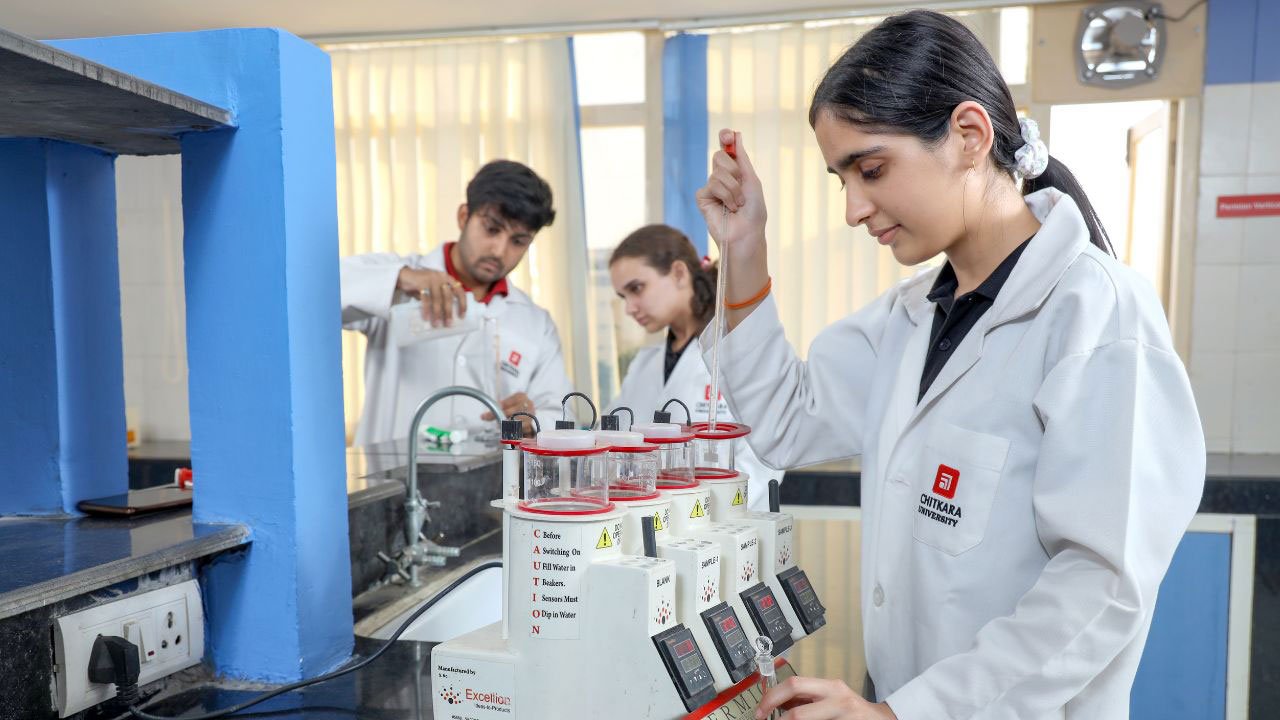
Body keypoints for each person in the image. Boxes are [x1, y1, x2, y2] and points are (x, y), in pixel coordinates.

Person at [695, 11, 1206, 720]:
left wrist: (903, 714)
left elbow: (1101, 585)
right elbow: (785, 421)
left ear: (969, 135)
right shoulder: (910, 318)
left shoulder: (1097, 315)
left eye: (872, 170)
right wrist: (745, 247)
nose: (853, 208)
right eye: (842, 179)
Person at [341, 160, 572, 446]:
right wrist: (400, 278)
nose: (499, 250)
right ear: (464, 217)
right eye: (492, 229)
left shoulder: (536, 324)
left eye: (518, 241)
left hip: (490, 473)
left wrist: (533, 419)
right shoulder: (398, 277)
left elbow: (561, 415)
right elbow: (316, 292)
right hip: (395, 470)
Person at [607, 224, 784, 510]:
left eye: (636, 289)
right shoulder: (644, 364)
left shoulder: (739, 348)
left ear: (679, 273)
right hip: (650, 521)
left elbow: (764, 460)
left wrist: (704, 518)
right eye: (623, 297)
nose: (629, 308)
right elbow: (613, 445)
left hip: (727, 524)